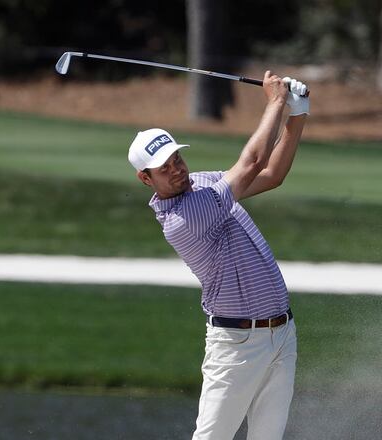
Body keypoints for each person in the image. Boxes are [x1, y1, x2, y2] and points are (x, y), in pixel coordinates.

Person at [127, 71, 309, 440]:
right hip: (237, 346)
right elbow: (252, 162)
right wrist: (276, 102)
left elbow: (271, 174)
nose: (177, 170)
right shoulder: (182, 218)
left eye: (177, 158)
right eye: (164, 168)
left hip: (281, 334)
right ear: (146, 179)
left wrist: (297, 113)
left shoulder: (204, 182)